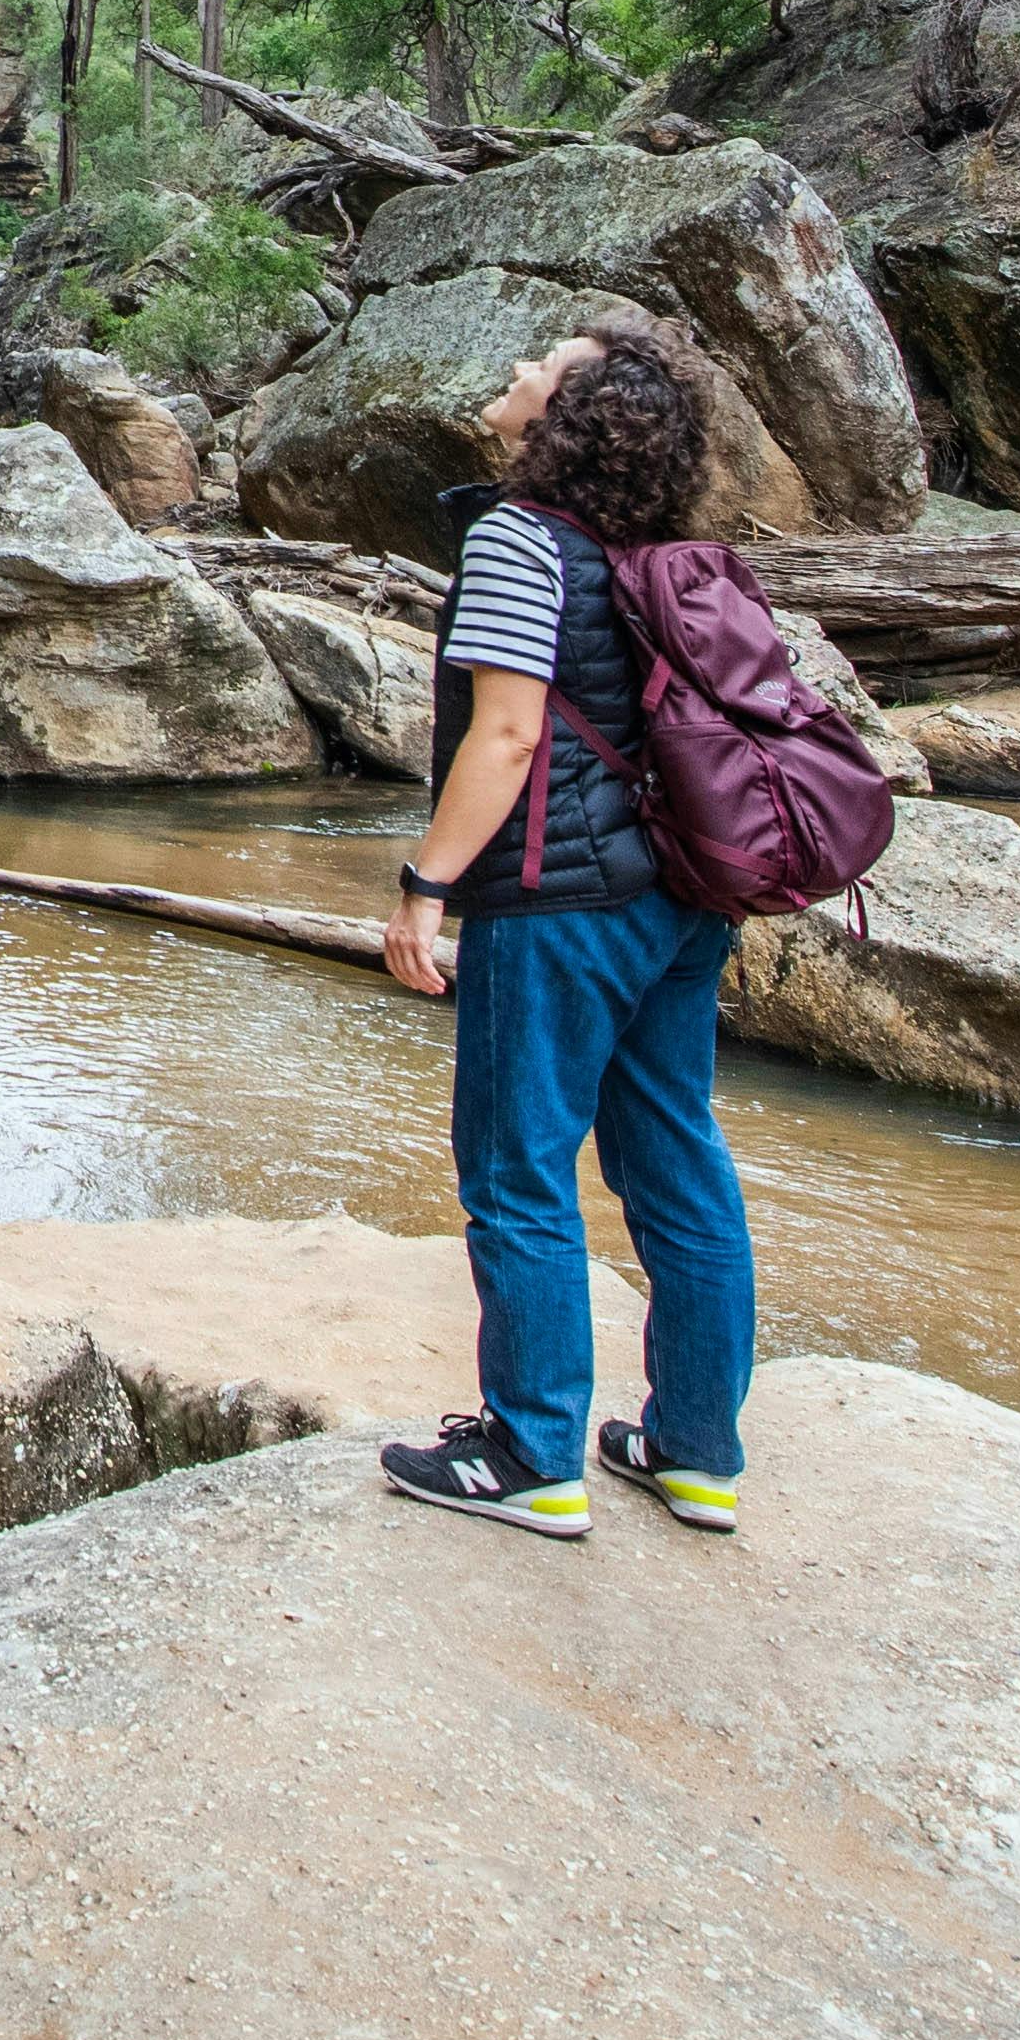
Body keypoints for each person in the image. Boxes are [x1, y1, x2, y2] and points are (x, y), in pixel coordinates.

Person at [372, 317, 759, 1542]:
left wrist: (426, 884)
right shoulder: (662, 547)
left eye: (541, 362)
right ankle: (696, 1452)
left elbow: (508, 734)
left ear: (566, 415)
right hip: (678, 897)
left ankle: (532, 1454)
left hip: (557, 903)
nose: (516, 367)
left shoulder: (517, 537)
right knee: (676, 1162)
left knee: (517, 1171)